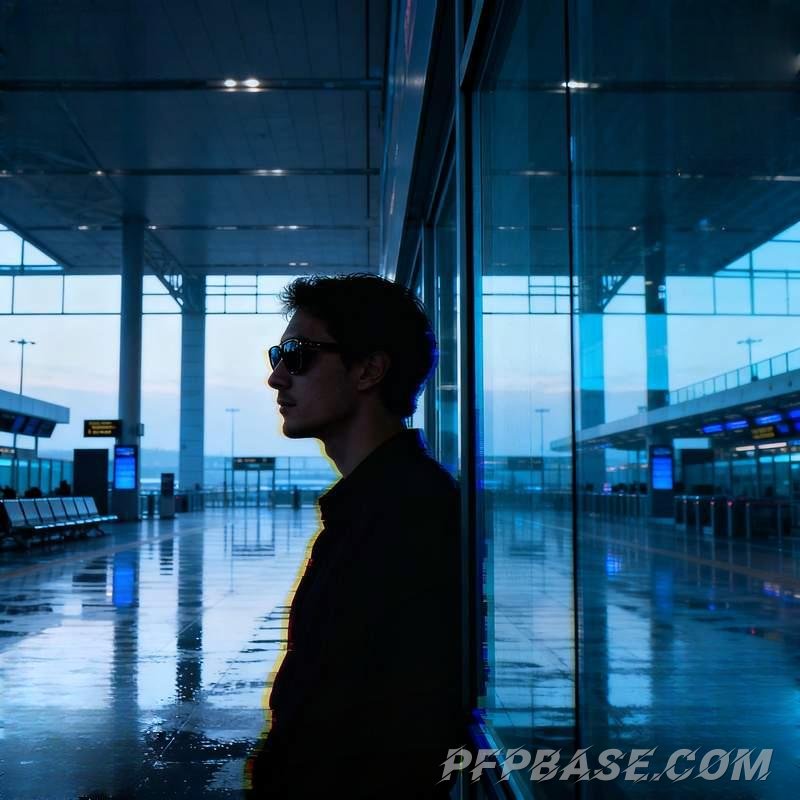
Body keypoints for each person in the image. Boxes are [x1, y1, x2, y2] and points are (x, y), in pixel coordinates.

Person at [246, 274, 465, 798]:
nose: (277, 377)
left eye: (297, 355)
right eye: (277, 354)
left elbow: (393, 731)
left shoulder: (404, 517)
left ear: (368, 370)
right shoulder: (377, 505)